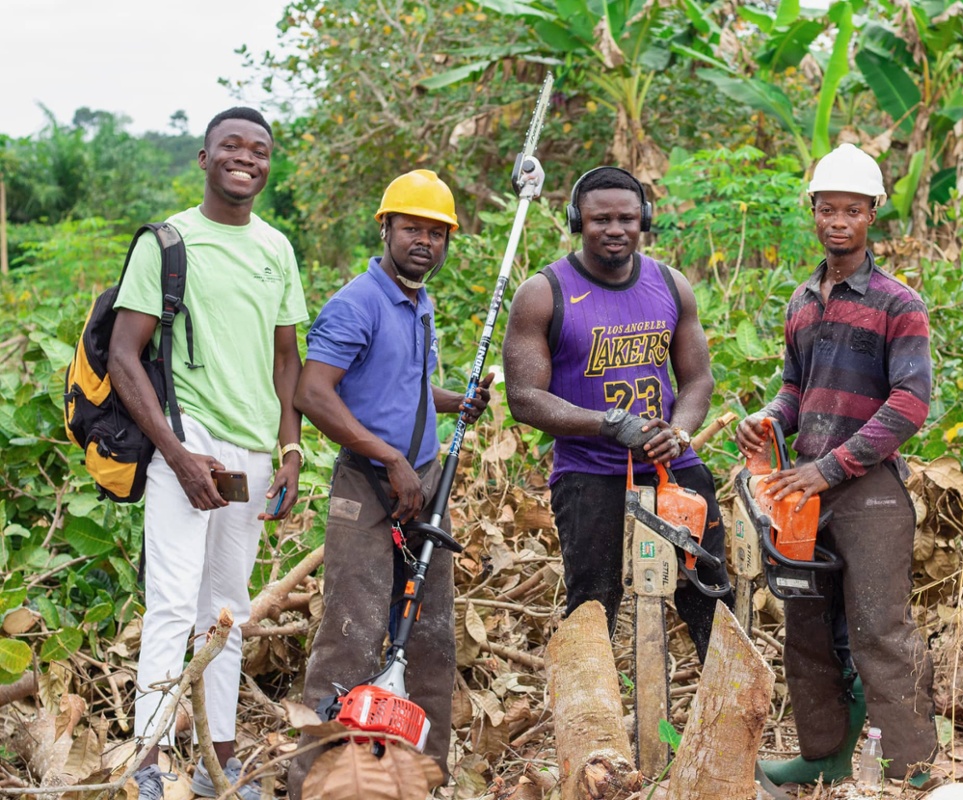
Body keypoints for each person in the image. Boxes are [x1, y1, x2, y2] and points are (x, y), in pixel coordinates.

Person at [109, 107, 308, 800]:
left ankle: (218, 764)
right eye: (231, 146)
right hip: (186, 444)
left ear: (267, 164)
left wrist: (289, 449)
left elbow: (287, 360)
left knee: (227, 608)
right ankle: (153, 763)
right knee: (170, 603)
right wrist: (178, 453)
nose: (245, 158)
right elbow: (123, 355)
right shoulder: (167, 242)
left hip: (253, 455)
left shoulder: (276, 249)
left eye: (258, 149)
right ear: (204, 158)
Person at [286, 170, 491, 798]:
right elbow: (313, 393)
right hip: (368, 487)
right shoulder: (357, 302)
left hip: (422, 481)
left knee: (431, 637)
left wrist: (455, 401)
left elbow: (409, 387)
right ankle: (313, 783)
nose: (423, 242)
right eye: (411, 229)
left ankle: (424, 778)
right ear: (386, 229)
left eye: (436, 232)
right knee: (351, 633)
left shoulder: (419, 301)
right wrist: (389, 459)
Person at [744, 143, 937, 791]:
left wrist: (830, 467)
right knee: (806, 630)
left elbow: (910, 403)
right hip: (803, 494)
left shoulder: (897, 303)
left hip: (869, 492)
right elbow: (797, 386)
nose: (838, 221)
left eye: (852, 210)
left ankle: (910, 770)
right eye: (828, 209)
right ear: (814, 212)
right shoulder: (802, 299)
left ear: (872, 215)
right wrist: (772, 419)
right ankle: (822, 755)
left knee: (881, 631)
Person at [502, 165, 730, 659]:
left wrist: (682, 432)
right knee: (593, 602)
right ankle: (593, 719)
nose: (615, 229)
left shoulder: (671, 285)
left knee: (709, 588)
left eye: (627, 218)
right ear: (576, 221)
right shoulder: (544, 293)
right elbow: (523, 397)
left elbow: (698, 379)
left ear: (644, 219)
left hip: (670, 462)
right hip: (589, 470)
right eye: (600, 218)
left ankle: (723, 703)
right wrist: (609, 424)